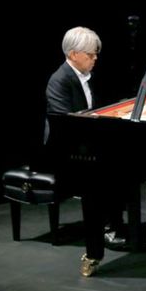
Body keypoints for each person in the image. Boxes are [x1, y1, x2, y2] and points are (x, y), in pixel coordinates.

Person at [45, 26, 127, 277]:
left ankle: (114, 225)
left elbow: (95, 111)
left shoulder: (86, 75)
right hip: (64, 150)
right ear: (73, 54)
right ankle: (97, 246)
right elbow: (66, 123)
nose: (95, 58)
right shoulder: (59, 80)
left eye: (95, 54)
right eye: (90, 54)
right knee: (99, 178)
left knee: (123, 165)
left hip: (86, 142)